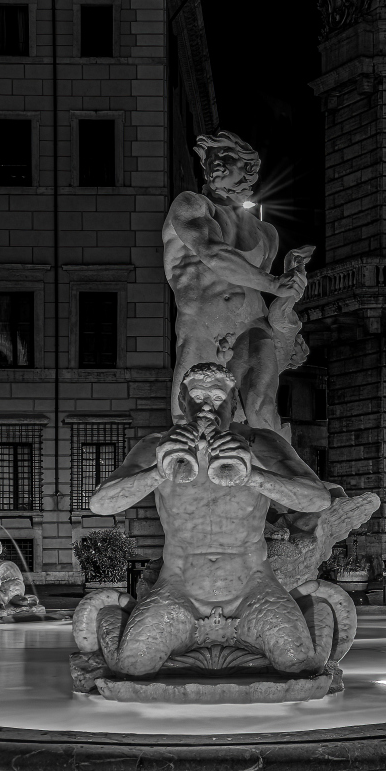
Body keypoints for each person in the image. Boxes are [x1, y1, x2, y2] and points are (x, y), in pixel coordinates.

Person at [82, 362, 334, 675]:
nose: (206, 407)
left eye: (217, 398)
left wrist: (252, 475)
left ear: (233, 403)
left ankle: (314, 612)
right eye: (198, 397)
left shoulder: (260, 443)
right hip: (180, 592)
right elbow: (101, 504)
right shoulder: (157, 445)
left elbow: (318, 499)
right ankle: (113, 615)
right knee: (132, 666)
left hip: (251, 591)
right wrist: (158, 471)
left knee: (299, 664)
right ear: (182, 401)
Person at [162, 131, 313, 435]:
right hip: (204, 330)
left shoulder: (266, 232)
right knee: (196, 428)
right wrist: (275, 283)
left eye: (228, 158)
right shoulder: (190, 206)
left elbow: (256, 287)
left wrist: (287, 330)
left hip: (253, 327)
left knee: (262, 411)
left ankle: (285, 465)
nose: (216, 163)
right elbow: (214, 254)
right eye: (212, 159)